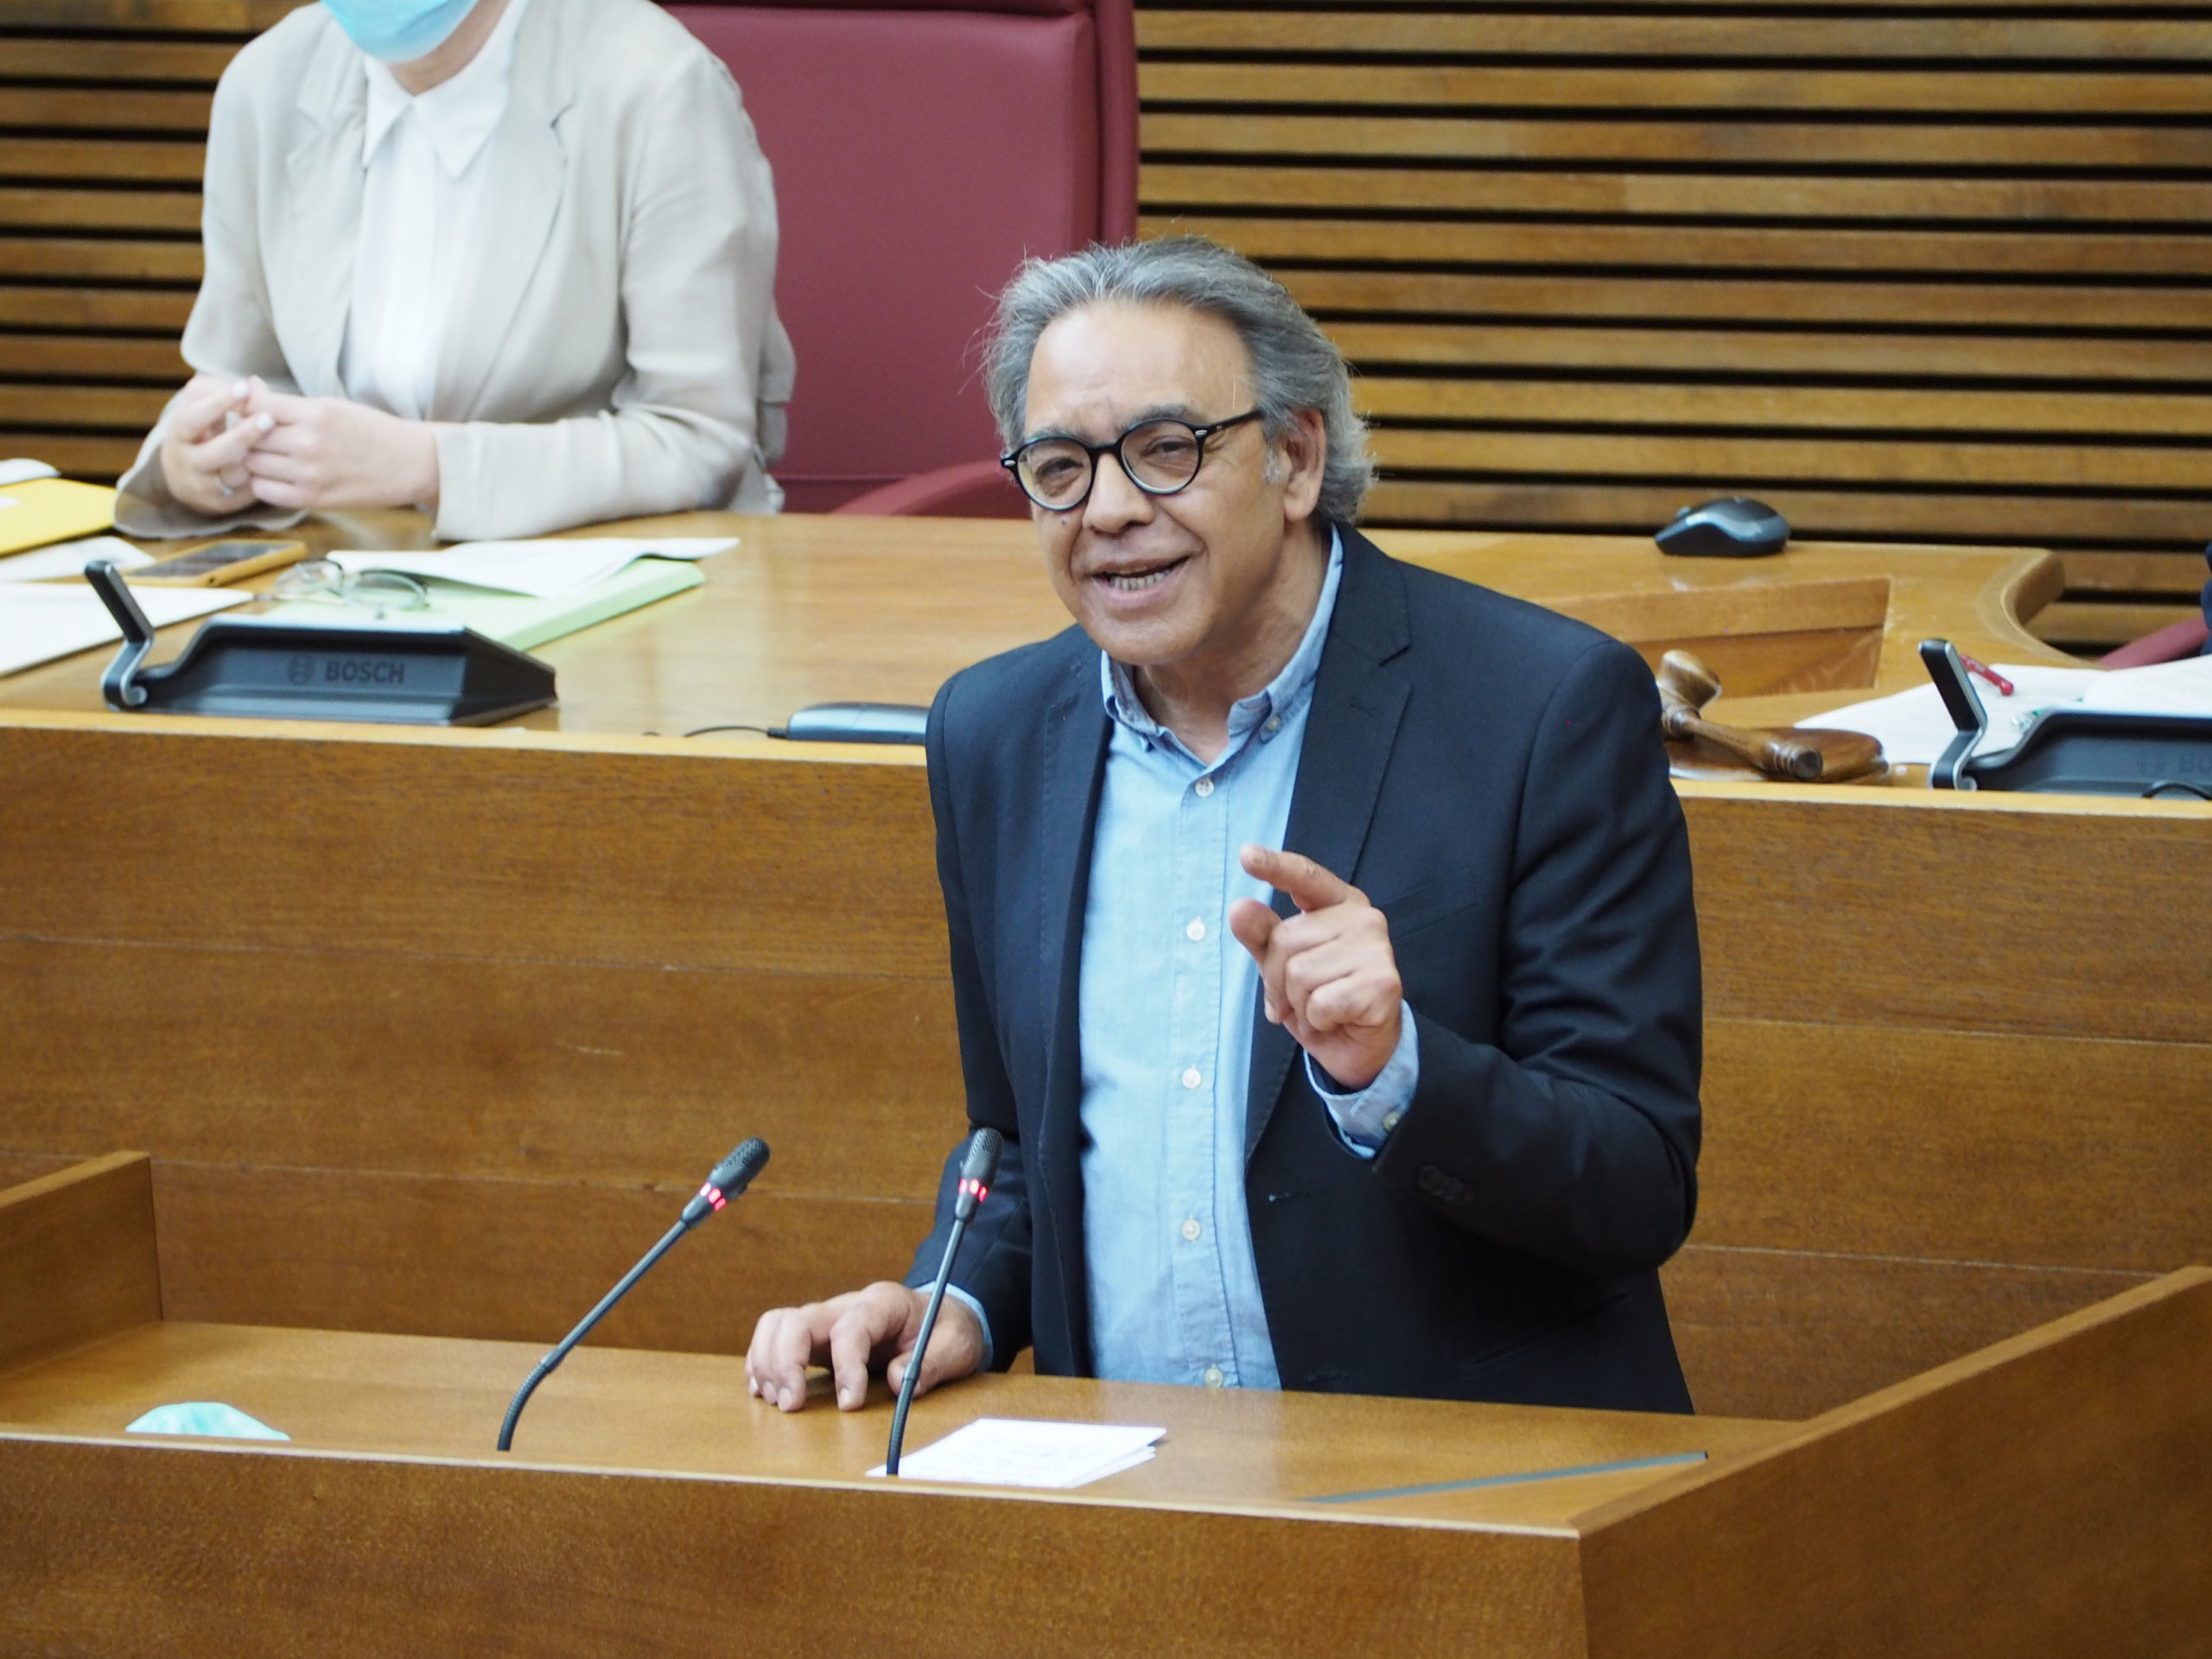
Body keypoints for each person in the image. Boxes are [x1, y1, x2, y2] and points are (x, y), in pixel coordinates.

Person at [746, 237, 1702, 1415]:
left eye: (1164, 452)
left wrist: (1398, 1073)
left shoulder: (1541, 710)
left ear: (1295, 458)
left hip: (1458, 1491)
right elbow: (1020, 1144)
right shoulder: (994, 734)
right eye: (1058, 466)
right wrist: (962, 1296)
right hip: (1134, 1500)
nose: (1106, 512)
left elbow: (1636, 1187)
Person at [115, 0, 794, 542]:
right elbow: (239, 376)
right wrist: (194, 464)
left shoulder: (656, 84)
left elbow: (697, 439)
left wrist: (431, 467)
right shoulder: (267, 83)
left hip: (627, 597)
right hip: (343, 588)